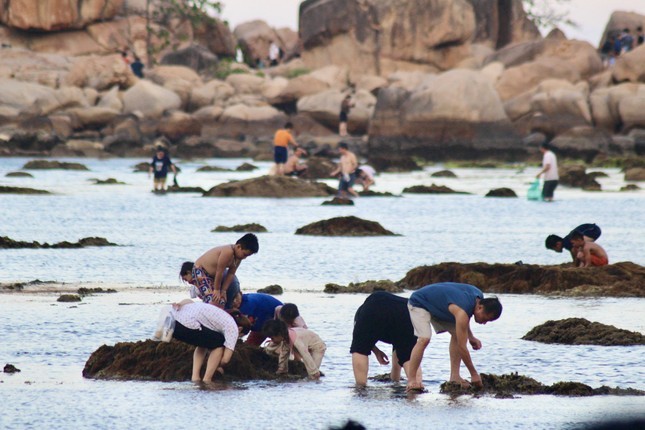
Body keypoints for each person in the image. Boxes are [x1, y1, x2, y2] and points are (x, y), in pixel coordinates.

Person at [405, 282, 502, 392]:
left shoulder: (478, 297)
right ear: (480, 307)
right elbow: (462, 346)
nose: (484, 323)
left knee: (457, 334)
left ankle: (454, 376)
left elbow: (465, 319)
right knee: (424, 338)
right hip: (419, 302)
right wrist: (474, 374)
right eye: (485, 318)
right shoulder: (462, 310)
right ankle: (412, 380)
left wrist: (471, 336)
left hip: (439, 306)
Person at [350, 291, 423, 387]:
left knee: (360, 350)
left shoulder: (364, 316)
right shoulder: (397, 325)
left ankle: (360, 388)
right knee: (408, 356)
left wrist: (375, 351)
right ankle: (415, 386)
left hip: (374, 304)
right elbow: (399, 347)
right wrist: (376, 351)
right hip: (406, 311)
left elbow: (361, 340)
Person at [170, 299, 251, 382]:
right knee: (219, 344)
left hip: (172, 319)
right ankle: (207, 380)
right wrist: (218, 366)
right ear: (240, 329)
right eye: (239, 336)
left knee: (204, 343)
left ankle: (195, 377)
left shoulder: (223, 316)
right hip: (186, 324)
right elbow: (226, 360)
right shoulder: (233, 327)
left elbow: (189, 301)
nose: (236, 339)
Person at [181, 234, 259, 309]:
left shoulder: (238, 258)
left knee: (221, 301)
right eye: (244, 254)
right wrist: (217, 290)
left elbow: (231, 274)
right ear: (238, 247)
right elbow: (220, 271)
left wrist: (223, 291)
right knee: (212, 299)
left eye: (247, 256)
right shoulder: (228, 251)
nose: (245, 258)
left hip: (212, 276)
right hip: (200, 270)